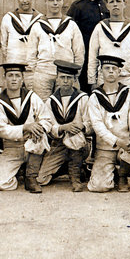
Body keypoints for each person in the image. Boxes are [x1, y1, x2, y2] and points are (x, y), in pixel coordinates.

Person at [0, 63, 53, 193]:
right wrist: (25, 127)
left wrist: (39, 128)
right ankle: (19, 172)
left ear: (22, 79)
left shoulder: (32, 97)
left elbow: (47, 119)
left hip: (32, 143)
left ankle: (31, 177)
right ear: (4, 78)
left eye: (17, 76)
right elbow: (2, 130)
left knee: (40, 136)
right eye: (10, 75)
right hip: (12, 147)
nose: (14, 79)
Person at [86, 54, 130, 193]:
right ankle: (106, 172)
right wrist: (117, 141)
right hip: (105, 148)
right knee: (100, 187)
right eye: (107, 68)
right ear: (101, 71)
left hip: (126, 145)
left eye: (114, 68)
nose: (111, 71)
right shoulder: (94, 98)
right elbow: (98, 127)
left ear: (119, 71)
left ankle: (122, 176)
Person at [36, 60, 91, 192]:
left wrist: (81, 126)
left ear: (74, 80)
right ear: (57, 79)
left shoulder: (83, 98)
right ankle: (68, 167)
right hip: (60, 143)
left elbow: (91, 123)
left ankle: (75, 178)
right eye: (62, 77)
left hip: (81, 143)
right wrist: (62, 128)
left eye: (69, 78)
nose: (65, 81)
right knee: (41, 178)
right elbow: (50, 127)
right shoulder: (51, 101)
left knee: (75, 136)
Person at [27, 0, 85, 99]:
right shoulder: (37, 26)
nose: (55, 3)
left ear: (62, 1)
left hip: (65, 75)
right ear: (45, 2)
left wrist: (73, 74)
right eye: (51, 0)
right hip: (43, 74)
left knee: (64, 105)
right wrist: (36, 74)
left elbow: (79, 53)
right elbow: (31, 55)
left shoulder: (71, 25)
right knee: (42, 108)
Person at [86, 0, 130, 90]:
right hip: (104, 79)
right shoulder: (100, 27)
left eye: (118, 1)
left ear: (124, 4)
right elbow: (92, 55)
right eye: (111, 2)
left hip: (126, 78)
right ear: (107, 5)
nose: (115, 5)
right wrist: (92, 81)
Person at [67, 0, 109, 92]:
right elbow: (69, 31)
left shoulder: (107, 4)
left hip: (104, 54)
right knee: (86, 90)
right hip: (86, 57)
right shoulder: (78, 6)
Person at [0, 0, 43, 89]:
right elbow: (3, 45)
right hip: (14, 67)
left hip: (32, 70)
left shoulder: (41, 20)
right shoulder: (8, 18)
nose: (24, 1)